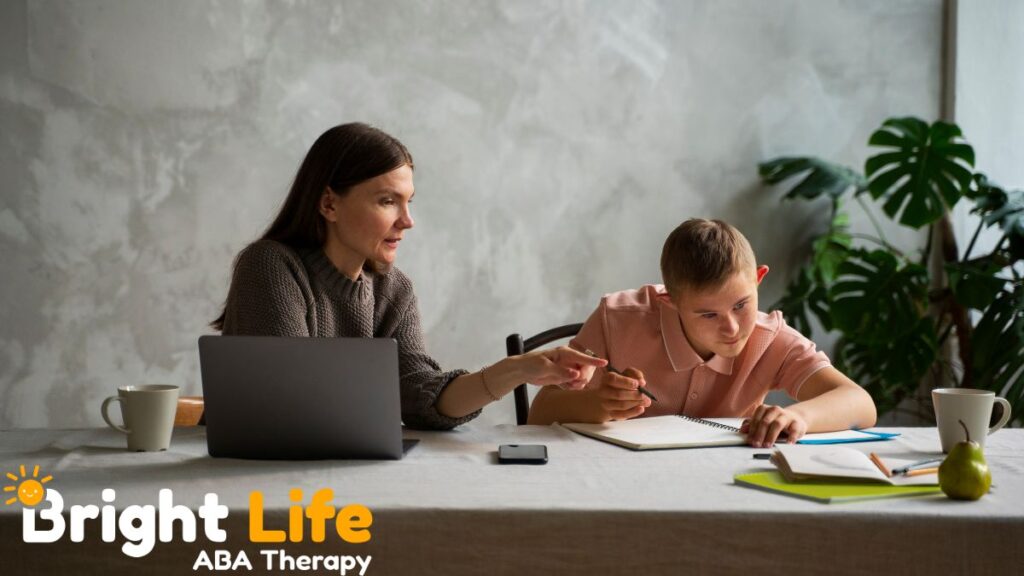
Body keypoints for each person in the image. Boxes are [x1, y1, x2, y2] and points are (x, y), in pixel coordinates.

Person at [211, 122, 605, 430]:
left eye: (408, 202)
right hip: (254, 480)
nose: (408, 221)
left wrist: (520, 368)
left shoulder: (393, 289)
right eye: (387, 201)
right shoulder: (271, 266)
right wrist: (395, 395)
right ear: (329, 203)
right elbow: (292, 403)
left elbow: (421, 398)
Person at [527, 218, 877, 447]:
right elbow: (539, 413)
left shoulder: (771, 338)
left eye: (742, 304)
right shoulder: (616, 320)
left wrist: (798, 416)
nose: (733, 327)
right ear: (670, 300)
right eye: (708, 314)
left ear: (758, 279)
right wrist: (595, 403)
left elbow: (860, 404)